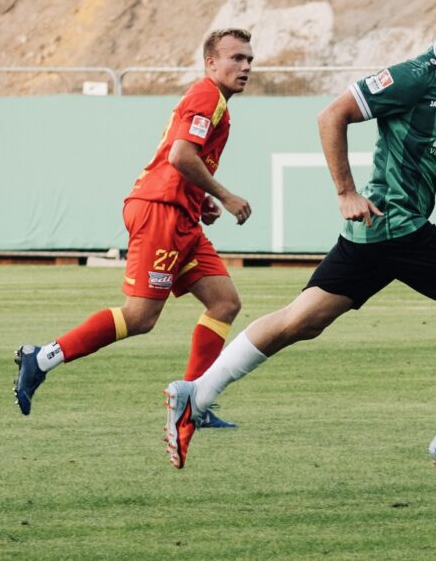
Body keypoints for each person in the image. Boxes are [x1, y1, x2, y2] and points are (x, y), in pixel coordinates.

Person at [162, 0, 436, 484]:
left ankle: (198, 393)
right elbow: (331, 115)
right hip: (398, 225)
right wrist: (345, 191)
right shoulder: (412, 76)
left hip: (373, 234)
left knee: (302, 322)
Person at [13, 28, 256, 428]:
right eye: (236, 58)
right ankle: (41, 358)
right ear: (211, 62)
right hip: (160, 213)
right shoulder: (207, 95)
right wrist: (226, 196)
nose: (245, 66)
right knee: (140, 317)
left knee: (225, 302)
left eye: (249, 59)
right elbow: (180, 155)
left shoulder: (215, 102)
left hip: (181, 214)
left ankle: (192, 404)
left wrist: (201, 198)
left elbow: (181, 159)